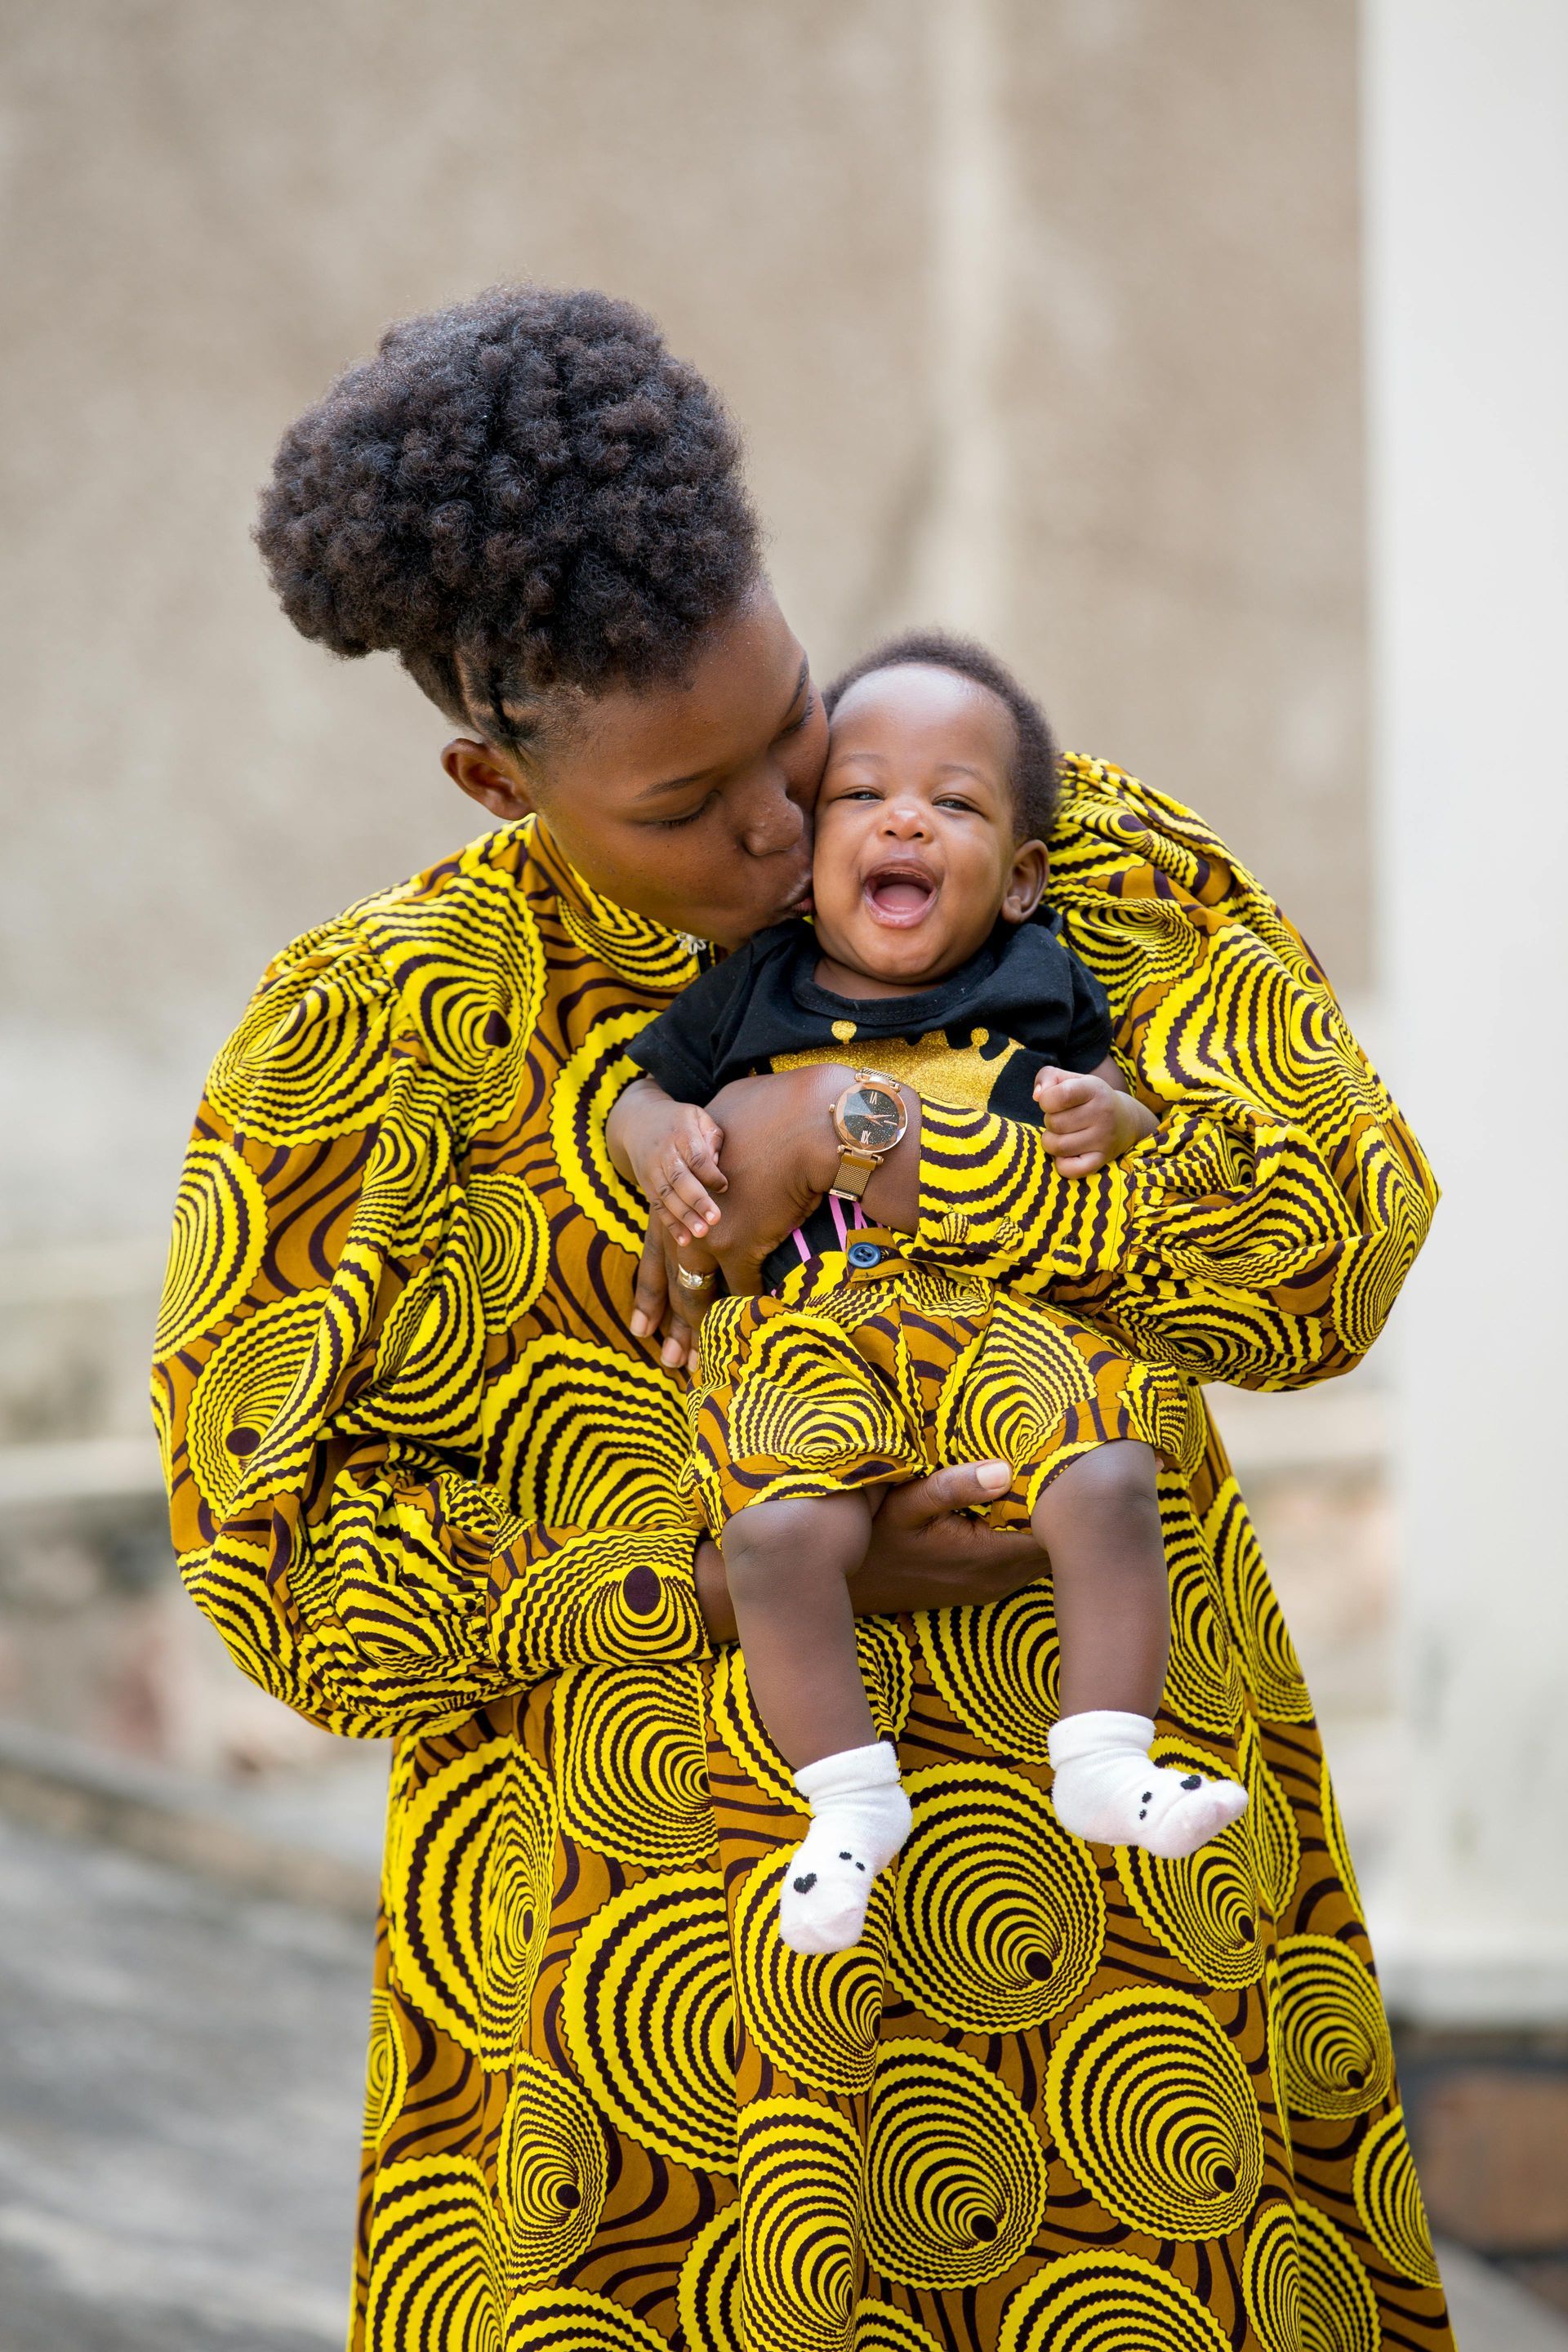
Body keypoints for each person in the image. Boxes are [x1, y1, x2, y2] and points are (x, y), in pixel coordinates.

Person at [152, 285, 1454, 2352]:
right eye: (688, 807)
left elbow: (1342, 1249)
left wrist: (967, 1174)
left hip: (1123, 2011)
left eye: (795, 732)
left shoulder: (1064, 863)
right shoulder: (371, 1045)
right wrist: (715, 1571)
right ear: (492, 778)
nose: (787, 833)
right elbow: (277, 1564)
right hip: (667, 2068)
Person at [609, 633, 1249, 1954]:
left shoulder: (1042, 981)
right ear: (804, 851)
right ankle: (848, 1802)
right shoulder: (754, 989)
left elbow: (1120, 1110)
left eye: (953, 803)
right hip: (810, 1340)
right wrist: (660, 1144)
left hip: (993, 1323)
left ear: (1020, 880)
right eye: (862, 795)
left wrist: (1111, 1116)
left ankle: (1107, 1751)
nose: (905, 815)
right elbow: (635, 1088)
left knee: (1113, 1473)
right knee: (778, 1539)